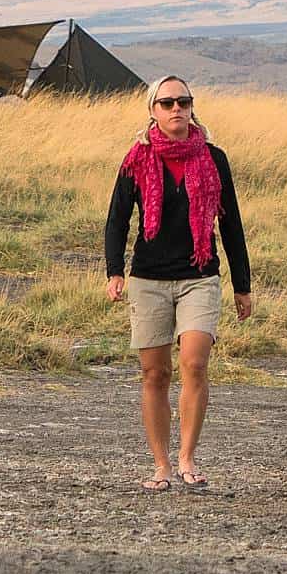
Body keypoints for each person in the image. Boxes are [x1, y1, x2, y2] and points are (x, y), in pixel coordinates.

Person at [105, 76, 253, 492]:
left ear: (191, 107)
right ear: (152, 110)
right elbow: (117, 220)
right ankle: (161, 465)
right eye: (167, 103)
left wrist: (242, 285)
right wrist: (114, 271)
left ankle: (187, 457)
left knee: (195, 363)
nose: (176, 109)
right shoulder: (137, 157)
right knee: (155, 373)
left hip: (199, 275)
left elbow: (231, 223)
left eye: (183, 102)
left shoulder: (213, 158)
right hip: (148, 278)